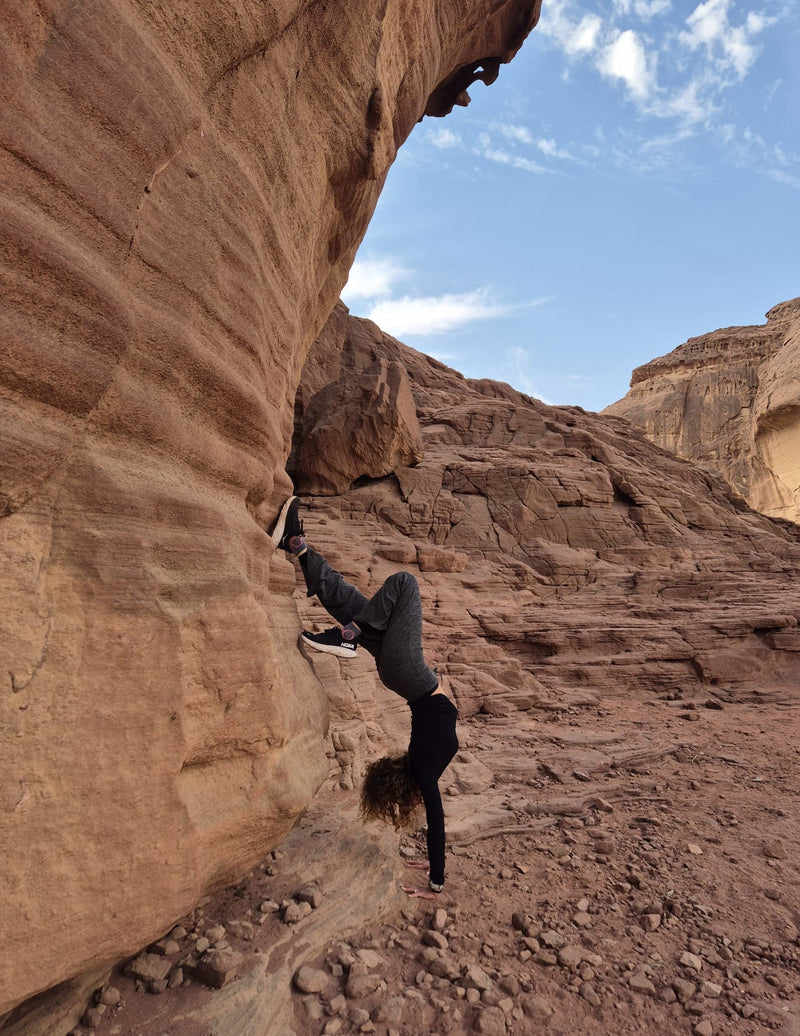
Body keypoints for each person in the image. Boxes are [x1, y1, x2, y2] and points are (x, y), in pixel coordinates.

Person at [271, 495, 459, 898]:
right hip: (400, 673)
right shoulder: (423, 767)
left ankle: (348, 636)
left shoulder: (425, 770)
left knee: (404, 583)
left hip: (410, 674)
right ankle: (296, 545)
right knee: (348, 599)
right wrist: (431, 861)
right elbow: (435, 821)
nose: (420, 805)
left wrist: (436, 883)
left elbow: (438, 819)